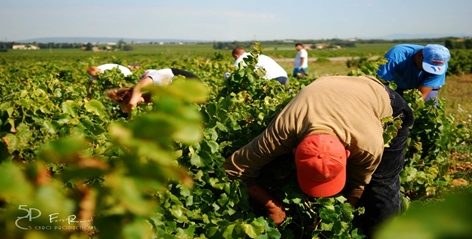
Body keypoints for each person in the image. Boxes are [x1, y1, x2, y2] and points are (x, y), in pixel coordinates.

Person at [222, 75, 414, 237]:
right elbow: (233, 169)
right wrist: (273, 206)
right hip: (324, 89)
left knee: (382, 185)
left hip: (381, 99)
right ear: (294, 151)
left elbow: (359, 185)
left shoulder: (367, 146)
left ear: (348, 154)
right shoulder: (281, 133)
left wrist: (343, 213)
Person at [377, 44, 451, 101]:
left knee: (429, 107)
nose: (429, 71)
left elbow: (422, 95)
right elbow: (382, 82)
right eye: (428, 66)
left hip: (423, 84)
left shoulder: (441, 67)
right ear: (419, 55)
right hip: (397, 84)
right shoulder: (396, 55)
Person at [106, 68, 199, 113]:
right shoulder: (148, 98)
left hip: (191, 83)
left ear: (130, 93)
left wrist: (131, 118)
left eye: (128, 100)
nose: (134, 104)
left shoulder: (142, 85)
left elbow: (132, 103)